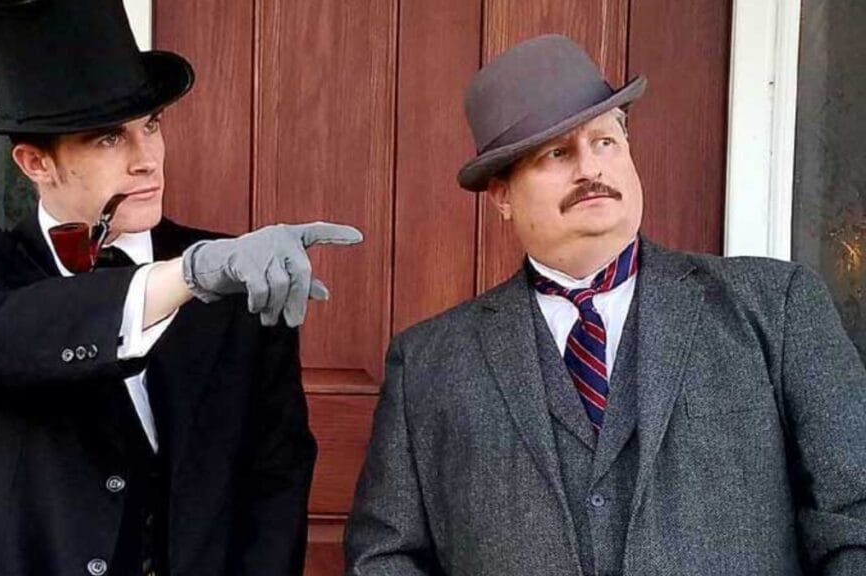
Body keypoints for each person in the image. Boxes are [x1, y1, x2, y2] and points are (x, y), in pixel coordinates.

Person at [344, 34, 866, 575]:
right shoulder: (429, 363)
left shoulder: (774, 309)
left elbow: (856, 517)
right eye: (556, 152)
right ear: (502, 194)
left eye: (606, 142)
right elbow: (386, 556)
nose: (590, 169)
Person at [0, 1, 361, 575]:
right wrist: (188, 275)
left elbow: (276, 475)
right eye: (108, 139)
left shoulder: (238, 275)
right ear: (35, 163)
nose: (148, 159)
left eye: (151, 125)